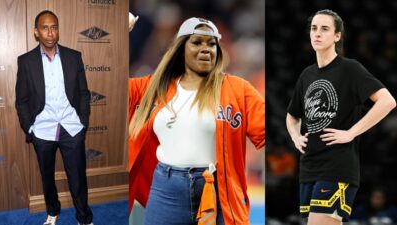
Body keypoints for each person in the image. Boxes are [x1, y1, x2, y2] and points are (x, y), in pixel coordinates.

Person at [128, 17, 265, 225]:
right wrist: (119, 34)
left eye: (211, 43)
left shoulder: (238, 89)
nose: (206, 48)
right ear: (180, 48)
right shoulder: (153, 87)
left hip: (218, 189)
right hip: (166, 189)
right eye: (197, 42)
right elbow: (102, 87)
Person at [286, 9, 396, 225]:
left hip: (337, 166)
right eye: (314, 28)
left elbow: (388, 101)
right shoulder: (307, 74)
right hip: (309, 167)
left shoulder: (350, 69)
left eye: (324, 29)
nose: (317, 33)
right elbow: (292, 116)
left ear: (337, 36)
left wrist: (351, 133)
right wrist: (295, 137)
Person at [15, 10, 93, 225]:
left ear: (58, 30)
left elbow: (84, 93)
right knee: (47, 178)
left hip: (72, 127)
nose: (50, 32)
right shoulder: (26, 61)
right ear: (36, 32)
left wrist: (83, 122)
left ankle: (84, 218)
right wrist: (30, 128)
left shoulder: (73, 57)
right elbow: (21, 100)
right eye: (44, 27)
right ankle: (53, 211)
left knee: (78, 178)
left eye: (54, 27)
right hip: (42, 129)